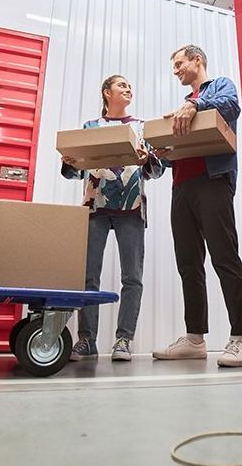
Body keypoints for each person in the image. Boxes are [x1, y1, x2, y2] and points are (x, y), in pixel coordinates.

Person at [152, 44, 242, 368]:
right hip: (181, 187)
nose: (176, 70)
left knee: (224, 257)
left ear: (198, 60)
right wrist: (160, 154)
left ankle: (241, 340)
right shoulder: (185, 106)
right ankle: (195, 339)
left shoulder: (219, 86)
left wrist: (194, 104)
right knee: (188, 264)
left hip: (213, 183)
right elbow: (180, 152)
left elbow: (231, 105)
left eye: (180, 63)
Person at [61, 74, 164, 362]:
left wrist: (148, 161)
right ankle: (86, 340)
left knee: (132, 278)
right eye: (122, 85)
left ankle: (124, 340)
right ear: (107, 92)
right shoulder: (90, 127)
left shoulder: (141, 127)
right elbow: (76, 172)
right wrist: (70, 162)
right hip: (96, 207)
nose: (128, 88)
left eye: (130, 86)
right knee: (88, 277)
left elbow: (156, 172)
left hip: (131, 208)